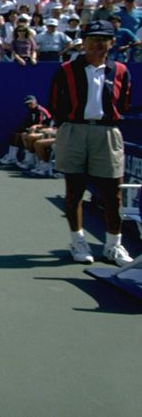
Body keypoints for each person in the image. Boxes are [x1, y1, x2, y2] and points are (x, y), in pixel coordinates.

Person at [50, 20, 134, 266]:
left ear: (112, 42)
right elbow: (55, 102)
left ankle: (113, 246)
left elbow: (124, 102)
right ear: (83, 42)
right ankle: (78, 241)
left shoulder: (120, 70)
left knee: (113, 194)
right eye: (92, 39)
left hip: (107, 133)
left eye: (103, 39)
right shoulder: (66, 70)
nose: (97, 44)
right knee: (74, 190)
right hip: (74, 130)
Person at [0, 95, 53, 166]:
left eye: (30, 103)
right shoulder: (31, 111)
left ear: (35, 101)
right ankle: (12, 157)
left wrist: (35, 126)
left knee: (24, 136)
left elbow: (44, 124)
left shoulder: (40, 111)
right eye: (27, 104)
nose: (29, 105)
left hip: (43, 131)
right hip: (32, 130)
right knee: (15, 134)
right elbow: (28, 123)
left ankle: (29, 160)